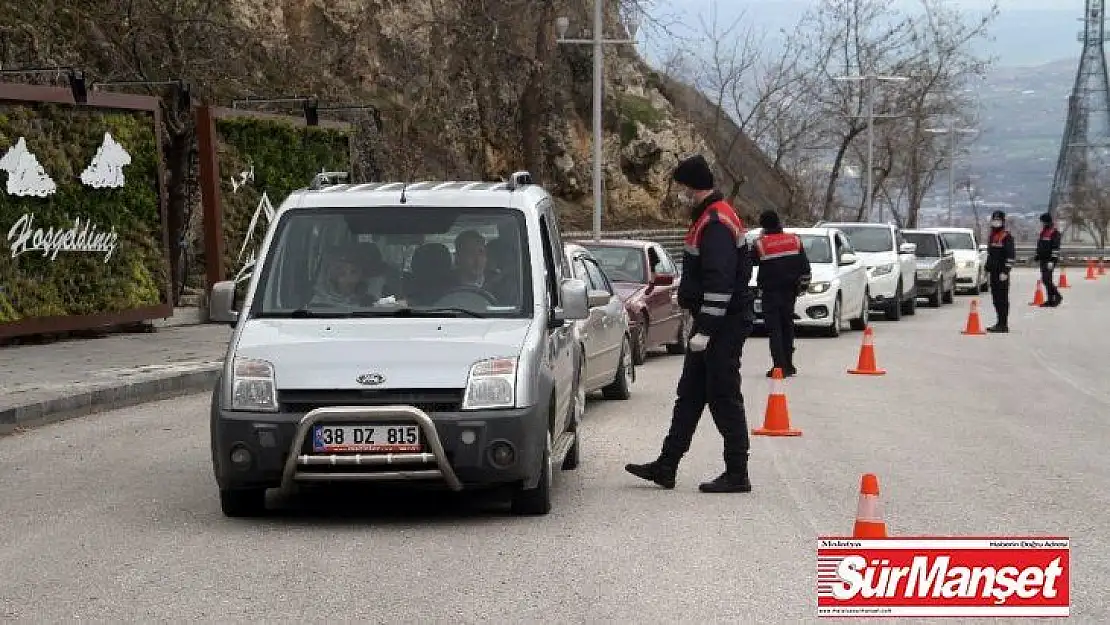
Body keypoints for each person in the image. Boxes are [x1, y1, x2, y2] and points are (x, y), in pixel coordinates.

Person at [625, 154, 755, 494]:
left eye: (681, 188)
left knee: (723, 394)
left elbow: (720, 281)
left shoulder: (714, 222)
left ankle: (737, 473)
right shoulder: (708, 217)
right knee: (690, 395)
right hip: (712, 322)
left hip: (722, 324)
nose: (679, 194)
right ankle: (666, 465)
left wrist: (708, 330)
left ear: (691, 187)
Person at [751, 210, 811, 377]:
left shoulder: (761, 244)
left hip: (770, 292)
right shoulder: (794, 240)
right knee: (787, 326)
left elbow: (752, 261)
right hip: (790, 291)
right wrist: (802, 287)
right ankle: (789, 364)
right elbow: (805, 268)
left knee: (774, 329)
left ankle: (779, 366)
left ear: (763, 225)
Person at [984, 210, 1016, 333]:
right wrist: (987, 267)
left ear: (1002, 222)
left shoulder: (1006, 237)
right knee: (996, 299)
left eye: (998, 220)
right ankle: (999, 322)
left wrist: (1006, 271)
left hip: (1002, 274)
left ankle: (1003, 324)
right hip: (993, 273)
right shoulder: (992, 236)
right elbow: (991, 254)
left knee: (1002, 299)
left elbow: (1010, 256)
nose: (996, 222)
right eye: (994, 220)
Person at [1034, 212, 1062, 307]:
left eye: (1043, 222)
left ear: (1047, 222)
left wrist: (1052, 260)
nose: (1042, 224)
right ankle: (1050, 300)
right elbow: (1041, 245)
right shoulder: (1044, 232)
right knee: (1046, 279)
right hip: (1043, 259)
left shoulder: (1054, 233)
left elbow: (1055, 248)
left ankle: (1057, 296)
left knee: (1046, 279)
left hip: (1049, 260)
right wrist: (1038, 254)